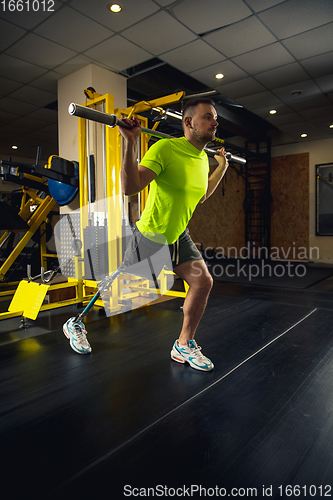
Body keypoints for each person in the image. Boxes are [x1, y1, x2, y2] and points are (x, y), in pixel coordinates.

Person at [63, 98, 228, 371]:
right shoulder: (165, 148)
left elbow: (202, 195)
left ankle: (183, 344)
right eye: (208, 117)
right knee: (120, 288)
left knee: (203, 283)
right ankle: (75, 322)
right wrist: (131, 144)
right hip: (150, 235)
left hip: (178, 235)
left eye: (215, 118)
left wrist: (220, 166)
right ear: (189, 123)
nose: (215, 122)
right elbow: (130, 187)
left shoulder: (201, 159)